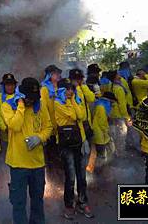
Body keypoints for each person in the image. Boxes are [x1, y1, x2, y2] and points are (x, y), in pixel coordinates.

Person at [2, 77, 52, 224]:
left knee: (37, 201)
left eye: (34, 98)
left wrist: (39, 138)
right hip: (18, 164)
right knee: (18, 203)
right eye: (28, 98)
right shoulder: (7, 106)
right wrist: (21, 106)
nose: (32, 101)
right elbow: (15, 126)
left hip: (37, 164)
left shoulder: (40, 105)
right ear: (21, 95)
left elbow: (48, 127)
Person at [54, 79, 94, 219]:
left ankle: (83, 203)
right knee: (70, 177)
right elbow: (73, 115)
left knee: (82, 176)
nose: (70, 91)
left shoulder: (76, 100)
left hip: (79, 142)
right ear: (61, 90)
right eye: (67, 89)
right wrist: (72, 102)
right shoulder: (57, 103)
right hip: (66, 146)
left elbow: (81, 116)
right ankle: (69, 206)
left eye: (71, 88)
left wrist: (84, 141)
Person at [40, 65, 62, 178]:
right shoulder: (44, 89)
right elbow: (44, 109)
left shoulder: (62, 87)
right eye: (55, 73)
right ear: (49, 75)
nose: (58, 75)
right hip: (51, 130)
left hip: (62, 128)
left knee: (62, 156)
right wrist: (48, 127)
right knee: (51, 157)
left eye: (58, 73)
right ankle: (53, 180)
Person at [107, 70, 132, 155]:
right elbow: (122, 104)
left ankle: (114, 152)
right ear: (115, 77)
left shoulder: (110, 86)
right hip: (119, 115)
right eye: (118, 74)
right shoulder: (119, 89)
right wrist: (127, 117)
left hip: (111, 114)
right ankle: (121, 153)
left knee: (114, 135)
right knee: (121, 135)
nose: (119, 75)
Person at [0, 73, 18, 159]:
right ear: (3, 86)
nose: (10, 87)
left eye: (12, 84)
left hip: (18, 134)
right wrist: (4, 128)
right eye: (7, 85)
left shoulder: (19, 97)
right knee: (5, 157)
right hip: (4, 135)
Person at [92, 92, 117, 164]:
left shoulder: (101, 103)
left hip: (101, 132)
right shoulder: (102, 107)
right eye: (112, 102)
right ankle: (100, 168)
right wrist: (107, 131)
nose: (112, 105)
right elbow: (102, 123)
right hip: (99, 133)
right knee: (101, 153)